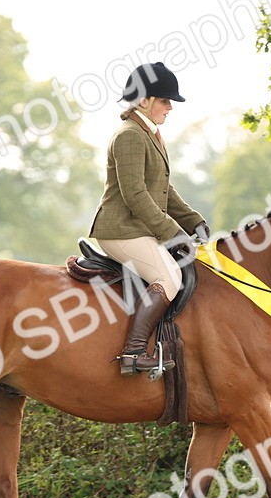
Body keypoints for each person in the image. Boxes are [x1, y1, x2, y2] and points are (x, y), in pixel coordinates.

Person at [89, 62, 210, 376]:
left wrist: (192, 220)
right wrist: (173, 233)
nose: (169, 107)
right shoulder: (130, 135)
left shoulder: (148, 134)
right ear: (144, 100)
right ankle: (133, 353)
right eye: (165, 100)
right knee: (169, 277)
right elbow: (135, 194)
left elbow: (163, 188)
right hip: (121, 230)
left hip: (138, 229)